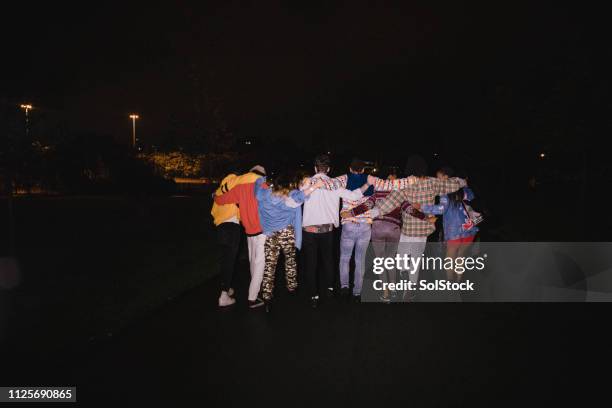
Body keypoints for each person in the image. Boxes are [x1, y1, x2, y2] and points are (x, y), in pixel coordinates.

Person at [367, 155, 467, 300]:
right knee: (415, 260)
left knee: (401, 257)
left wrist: (376, 211)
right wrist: (462, 181)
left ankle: (403, 274)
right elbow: (451, 184)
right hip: (423, 230)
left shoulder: (406, 184)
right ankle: (410, 288)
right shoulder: (433, 183)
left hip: (407, 229)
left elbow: (392, 200)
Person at [302, 154, 371, 308]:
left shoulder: (306, 183)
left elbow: (296, 198)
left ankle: (314, 296)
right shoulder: (334, 184)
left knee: (312, 264)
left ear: (315, 168)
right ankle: (332, 289)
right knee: (329, 260)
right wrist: (366, 185)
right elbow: (354, 195)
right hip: (328, 229)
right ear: (329, 169)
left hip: (310, 230)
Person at [253, 174, 323, 311]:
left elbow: (256, 188)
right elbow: (301, 196)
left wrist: (260, 180)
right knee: (290, 260)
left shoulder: (262, 195)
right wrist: (314, 186)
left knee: (270, 266)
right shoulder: (288, 198)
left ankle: (267, 297)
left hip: (270, 234)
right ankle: (291, 287)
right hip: (286, 233)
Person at [214, 165, 267, 309]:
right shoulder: (263, 184)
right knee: (259, 264)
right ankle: (252, 297)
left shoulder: (238, 186)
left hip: (247, 230)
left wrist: (215, 196)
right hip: (261, 230)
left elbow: (221, 200)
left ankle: (252, 289)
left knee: (251, 262)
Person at [417, 185, 479, 283]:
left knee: (450, 258)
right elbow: (472, 196)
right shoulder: (464, 191)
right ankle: (458, 281)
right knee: (461, 257)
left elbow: (441, 209)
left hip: (454, 231)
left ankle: (450, 282)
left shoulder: (445, 193)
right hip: (469, 229)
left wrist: (422, 207)